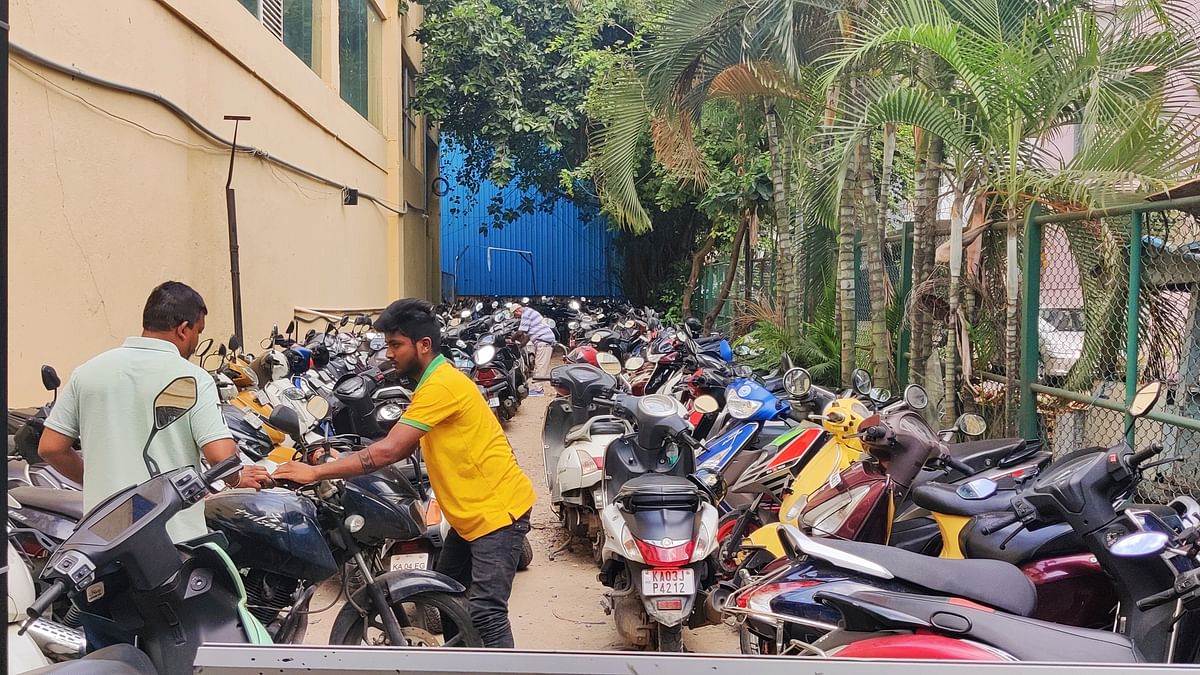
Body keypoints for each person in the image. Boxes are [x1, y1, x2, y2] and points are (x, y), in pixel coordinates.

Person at [274, 298, 536, 648]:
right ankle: (464, 665)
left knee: (486, 610)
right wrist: (341, 455)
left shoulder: (441, 385)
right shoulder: (433, 381)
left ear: (423, 345)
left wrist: (317, 472)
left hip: (497, 513)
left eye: (396, 345)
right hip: (470, 514)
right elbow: (398, 439)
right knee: (445, 599)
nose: (390, 353)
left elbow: (390, 450)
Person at [38, 281, 271, 647]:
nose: (196, 342)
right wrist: (241, 477)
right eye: (198, 332)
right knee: (179, 651)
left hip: (102, 544)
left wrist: (99, 481)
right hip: (170, 548)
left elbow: (51, 447)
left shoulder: (90, 371)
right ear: (183, 328)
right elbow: (222, 458)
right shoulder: (191, 378)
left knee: (111, 655)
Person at [513, 304, 556, 380]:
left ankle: (538, 390)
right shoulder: (530, 312)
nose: (516, 317)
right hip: (542, 341)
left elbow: (520, 332)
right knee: (538, 365)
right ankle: (537, 388)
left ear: (517, 311)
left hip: (543, 341)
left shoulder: (526, 314)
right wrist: (519, 347)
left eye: (515, 314)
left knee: (540, 367)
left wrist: (512, 340)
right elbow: (528, 336)